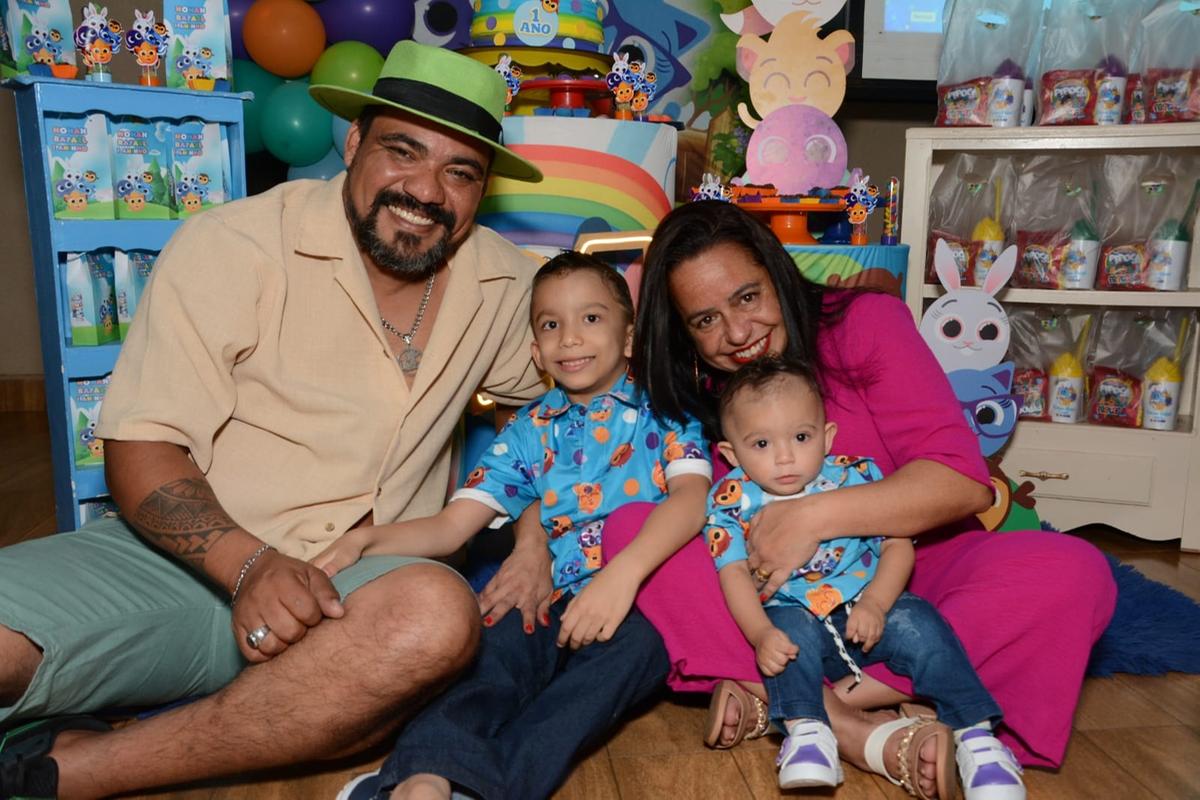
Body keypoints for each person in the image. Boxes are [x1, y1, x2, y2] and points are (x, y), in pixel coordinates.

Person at [0, 41, 550, 799]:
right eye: (403, 152)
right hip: (186, 563)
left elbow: (579, 413)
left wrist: (536, 540)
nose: (426, 190)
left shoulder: (509, 284)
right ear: (353, 143)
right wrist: (250, 566)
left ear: (481, 191)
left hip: (364, 591)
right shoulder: (234, 244)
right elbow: (142, 443)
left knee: (433, 620)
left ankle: (70, 772)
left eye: (460, 173)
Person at [586, 200, 1113, 798]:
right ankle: (859, 729)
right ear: (682, 331)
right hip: (775, 610)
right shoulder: (693, 389)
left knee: (1076, 571)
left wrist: (812, 516)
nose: (735, 334)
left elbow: (960, 480)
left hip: (908, 572)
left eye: (748, 298)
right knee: (632, 529)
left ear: (777, 273)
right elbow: (699, 531)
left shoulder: (866, 323)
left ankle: (788, 701)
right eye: (704, 320)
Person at [317, 252, 712, 800]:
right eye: (552, 324)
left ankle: (483, 789)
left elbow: (692, 501)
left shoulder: (666, 410)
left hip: (642, 600)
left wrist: (620, 579)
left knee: (596, 686)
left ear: (628, 339)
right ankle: (422, 779)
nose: (570, 337)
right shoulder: (529, 430)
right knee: (490, 658)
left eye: (591, 318)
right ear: (536, 351)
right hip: (553, 597)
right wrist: (367, 538)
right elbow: (453, 528)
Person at [708, 357, 1022, 800]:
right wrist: (760, 633)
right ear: (730, 454)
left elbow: (898, 544)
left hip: (865, 610)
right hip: (792, 615)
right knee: (785, 640)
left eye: (801, 437)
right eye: (760, 443)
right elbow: (734, 575)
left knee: (921, 625)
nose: (784, 456)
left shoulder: (856, 476)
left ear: (827, 435)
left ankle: (977, 736)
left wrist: (877, 600)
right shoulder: (730, 500)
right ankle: (808, 731)